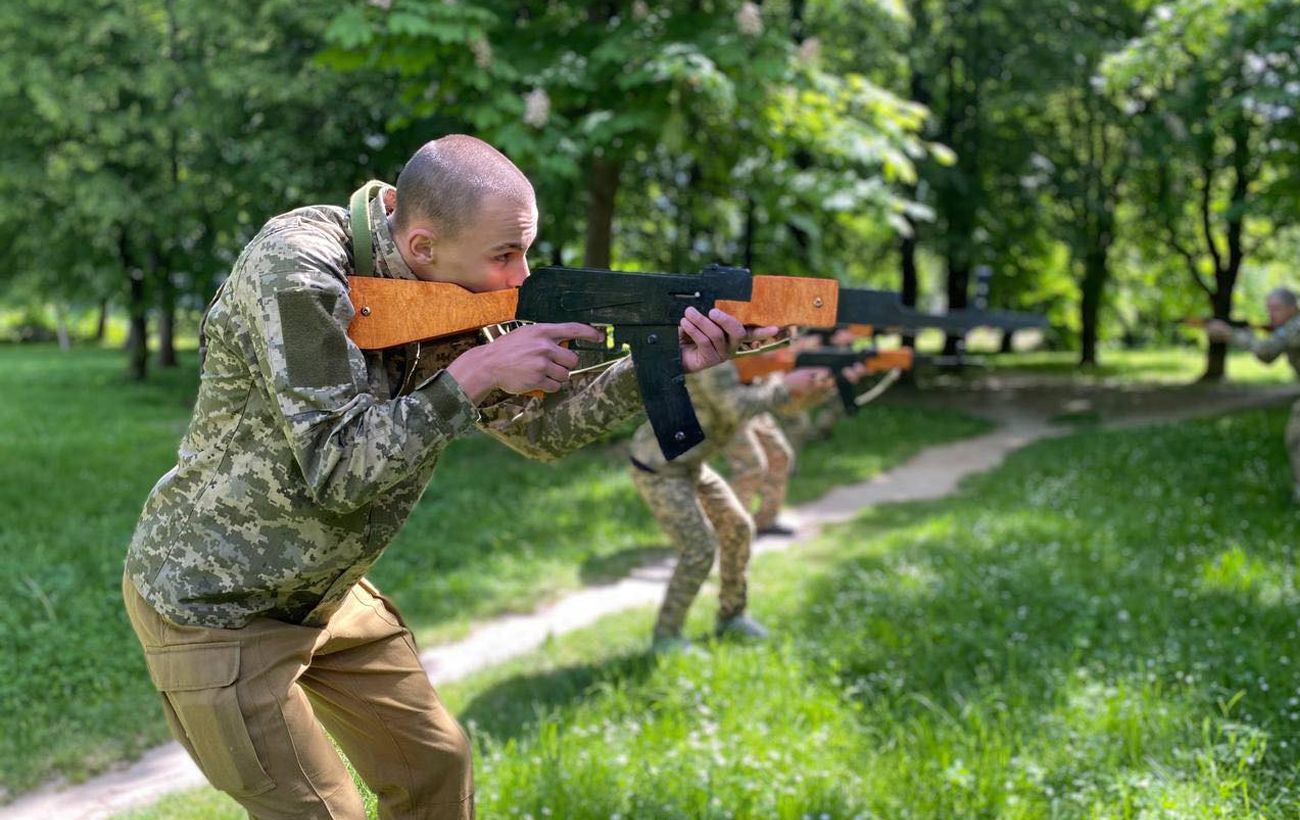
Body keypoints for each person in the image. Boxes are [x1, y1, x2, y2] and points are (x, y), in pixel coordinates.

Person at [121, 134, 762, 819]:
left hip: (327, 594)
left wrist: (656, 365)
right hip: (220, 604)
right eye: (505, 255)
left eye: (525, 250)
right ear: (422, 245)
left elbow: (541, 432)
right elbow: (336, 469)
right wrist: (473, 377)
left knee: (437, 768)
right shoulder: (300, 270)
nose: (521, 278)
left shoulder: (449, 286)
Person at [628, 362, 830, 653]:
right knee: (698, 552)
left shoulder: (750, 355)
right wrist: (785, 387)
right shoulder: (714, 355)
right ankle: (667, 637)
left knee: (739, 528)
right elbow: (734, 407)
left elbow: (777, 406)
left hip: (691, 463)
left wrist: (815, 389)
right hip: (660, 467)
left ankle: (731, 616)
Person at [1207, 287, 1300, 499]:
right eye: (1269, 309)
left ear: (1293, 308)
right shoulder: (1290, 326)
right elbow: (1268, 355)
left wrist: (1230, 334)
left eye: (1276, 309)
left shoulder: (1295, 326)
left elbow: (1266, 352)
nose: (1271, 315)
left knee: (1297, 438)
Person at [722, 411, 796, 535]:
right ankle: (732, 528)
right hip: (727, 407)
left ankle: (765, 522)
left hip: (754, 407)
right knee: (751, 468)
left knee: (780, 457)